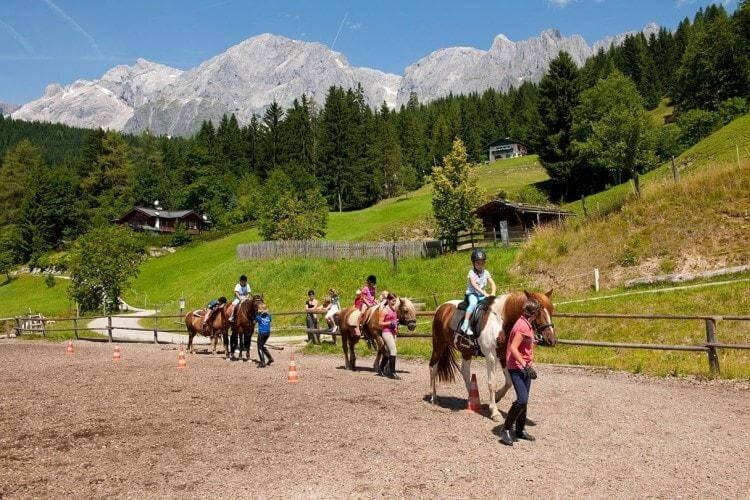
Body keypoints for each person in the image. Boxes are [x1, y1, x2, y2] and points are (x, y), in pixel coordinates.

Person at [499, 298, 540, 446]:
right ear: (534, 313)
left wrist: (534, 341)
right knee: (521, 400)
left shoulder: (527, 324)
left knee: (524, 400)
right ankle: (505, 429)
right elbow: (513, 348)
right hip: (517, 367)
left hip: (523, 366)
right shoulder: (522, 326)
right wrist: (526, 366)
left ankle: (520, 430)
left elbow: (524, 342)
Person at [462, 249, 496, 337]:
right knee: (473, 304)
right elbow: (474, 285)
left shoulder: (486, 272)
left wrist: (493, 293)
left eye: (482, 263)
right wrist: (485, 294)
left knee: (493, 303)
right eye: (478, 263)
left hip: (481, 294)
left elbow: (492, 283)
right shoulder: (471, 273)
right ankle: (465, 324)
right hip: (472, 294)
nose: (480, 265)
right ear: (473, 263)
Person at [378, 293, 401, 379]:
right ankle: (392, 372)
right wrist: (389, 323)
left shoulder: (393, 310)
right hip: (386, 332)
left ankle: (381, 369)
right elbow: (380, 323)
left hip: (393, 332)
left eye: (395, 301)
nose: (394, 302)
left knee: (388, 353)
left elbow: (394, 320)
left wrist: (396, 323)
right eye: (392, 301)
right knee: (393, 351)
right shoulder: (385, 310)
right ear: (388, 300)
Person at [255, 302, 273, 368]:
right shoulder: (269, 315)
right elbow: (269, 320)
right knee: (262, 346)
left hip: (261, 333)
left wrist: (257, 314)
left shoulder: (258, 317)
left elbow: (254, 321)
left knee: (259, 347)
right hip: (267, 333)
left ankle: (262, 362)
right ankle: (270, 358)